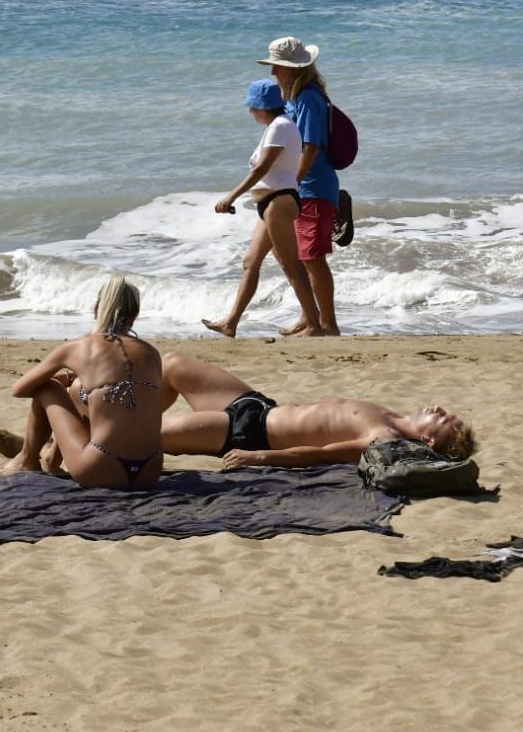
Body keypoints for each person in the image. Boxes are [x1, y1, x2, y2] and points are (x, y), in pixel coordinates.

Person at [156, 351, 477, 468]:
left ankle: (119, 433)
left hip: (247, 434)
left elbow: (321, 453)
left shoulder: (384, 439)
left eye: (443, 419)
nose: (439, 409)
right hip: (257, 405)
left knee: (148, 435)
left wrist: (259, 457)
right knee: (172, 365)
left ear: (429, 440)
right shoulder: (392, 416)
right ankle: (130, 419)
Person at [0, 274, 166, 490]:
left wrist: (62, 378)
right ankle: (50, 458)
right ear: (135, 316)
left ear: (97, 309)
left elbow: (19, 389)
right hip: (148, 474)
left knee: (48, 387)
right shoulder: (152, 354)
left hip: (100, 469)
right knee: (81, 391)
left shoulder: (80, 347)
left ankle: (26, 459)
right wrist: (76, 381)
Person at [201, 79, 325, 339]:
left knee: (291, 266)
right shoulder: (277, 126)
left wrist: (231, 197)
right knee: (250, 262)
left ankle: (314, 325)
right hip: (270, 203)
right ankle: (230, 322)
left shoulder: (280, 126)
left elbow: (262, 168)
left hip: (279, 202)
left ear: (262, 107)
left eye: (253, 107)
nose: (250, 112)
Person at [258, 36, 341, 336]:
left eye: (277, 68)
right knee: (302, 257)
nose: (273, 74)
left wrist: (293, 184)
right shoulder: (299, 97)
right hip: (307, 188)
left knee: (312, 258)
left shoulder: (307, 98)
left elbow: (311, 147)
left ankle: (328, 325)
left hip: (313, 188)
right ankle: (311, 319)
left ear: (294, 69)